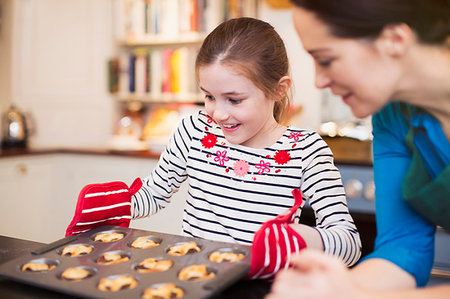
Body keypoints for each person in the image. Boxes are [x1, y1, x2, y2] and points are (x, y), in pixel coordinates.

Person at [66, 17, 361, 279]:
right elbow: (155, 194)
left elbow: (349, 243)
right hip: (194, 280)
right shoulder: (194, 130)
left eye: (234, 99)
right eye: (209, 96)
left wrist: (302, 238)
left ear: (278, 89)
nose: (218, 114)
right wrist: (117, 204)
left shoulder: (307, 150)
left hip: (263, 289)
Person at [266, 0, 450, 297]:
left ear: (394, 40)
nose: (318, 81)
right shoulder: (393, 115)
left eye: (325, 59)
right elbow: (403, 249)